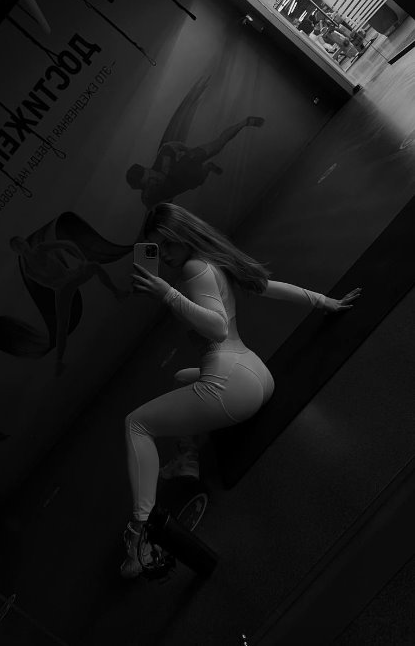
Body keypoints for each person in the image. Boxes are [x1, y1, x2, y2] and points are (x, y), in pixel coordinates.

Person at [121, 203, 362, 579]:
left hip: (231, 387)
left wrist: (166, 294)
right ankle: (186, 458)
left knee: (136, 424)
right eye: (157, 247)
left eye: (167, 245)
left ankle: (139, 538)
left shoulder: (193, 269)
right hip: (256, 376)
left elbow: (217, 329)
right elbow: (264, 285)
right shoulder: (213, 260)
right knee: (182, 378)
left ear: (184, 237)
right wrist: (323, 301)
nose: (163, 255)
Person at [9, 236, 128, 376]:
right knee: (62, 325)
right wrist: (68, 278)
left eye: (21, 242)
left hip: (72, 276)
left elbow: (68, 243)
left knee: (94, 266)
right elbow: (50, 284)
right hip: (62, 288)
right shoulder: (29, 270)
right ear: (17, 251)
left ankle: (117, 292)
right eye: (17, 246)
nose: (22, 246)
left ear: (25, 242)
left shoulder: (41, 248)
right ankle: (59, 361)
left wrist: (82, 260)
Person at [126, 116, 265, 210]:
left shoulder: (163, 158)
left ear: (147, 169)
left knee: (218, 144)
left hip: (188, 161)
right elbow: (156, 209)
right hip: (190, 180)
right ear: (142, 187)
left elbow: (169, 146)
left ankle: (245, 122)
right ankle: (209, 167)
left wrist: (188, 149)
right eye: (147, 184)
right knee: (201, 178)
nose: (153, 181)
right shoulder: (148, 197)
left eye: (150, 176)